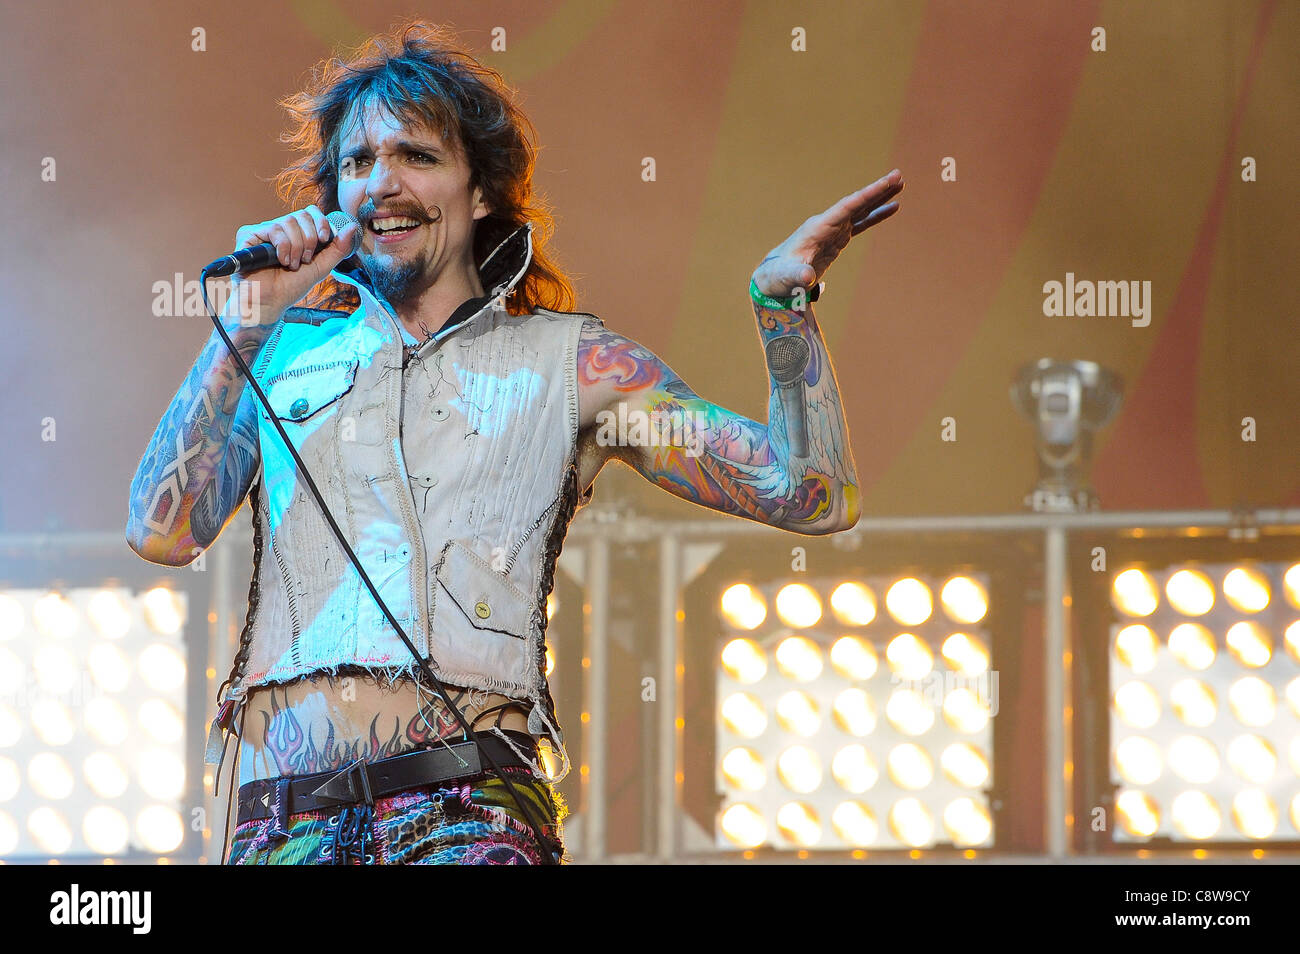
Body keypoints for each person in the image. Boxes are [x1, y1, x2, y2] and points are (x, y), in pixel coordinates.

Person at [125, 20, 902, 866]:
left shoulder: (571, 365)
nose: (380, 184)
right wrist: (242, 328)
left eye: (415, 157)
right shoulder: (278, 355)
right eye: (357, 163)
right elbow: (162, 532)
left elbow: (812, 493)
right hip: (281, 820)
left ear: (482, 190)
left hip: (469, 810)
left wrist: (782, 308)